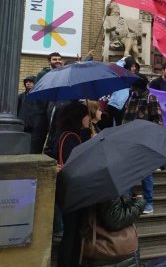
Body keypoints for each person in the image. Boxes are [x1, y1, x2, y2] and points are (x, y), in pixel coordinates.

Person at [53, 102, 91, 267]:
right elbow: (76, 165)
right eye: (86, 115)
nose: (89, 118)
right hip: (72, 192)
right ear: (79, 117)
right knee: (71, 234)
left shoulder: (64, 134)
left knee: (72, 232)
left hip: (67, 191)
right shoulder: (72, 137)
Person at [122, 74, 162, 214]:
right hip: (128, 140)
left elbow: (158, 121)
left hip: (144, 141)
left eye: (134, 86)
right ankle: (125, 201)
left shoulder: (151, 98)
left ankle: (149, 202)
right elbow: (125, 117)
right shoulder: (131, 97)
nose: (133, 88)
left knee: (146, 173)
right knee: (126, 171)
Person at [80, 194, 146, 267]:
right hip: (110, 250)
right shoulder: (107, 187)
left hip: (95, 244)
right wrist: (139, 203)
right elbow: (115, 219)